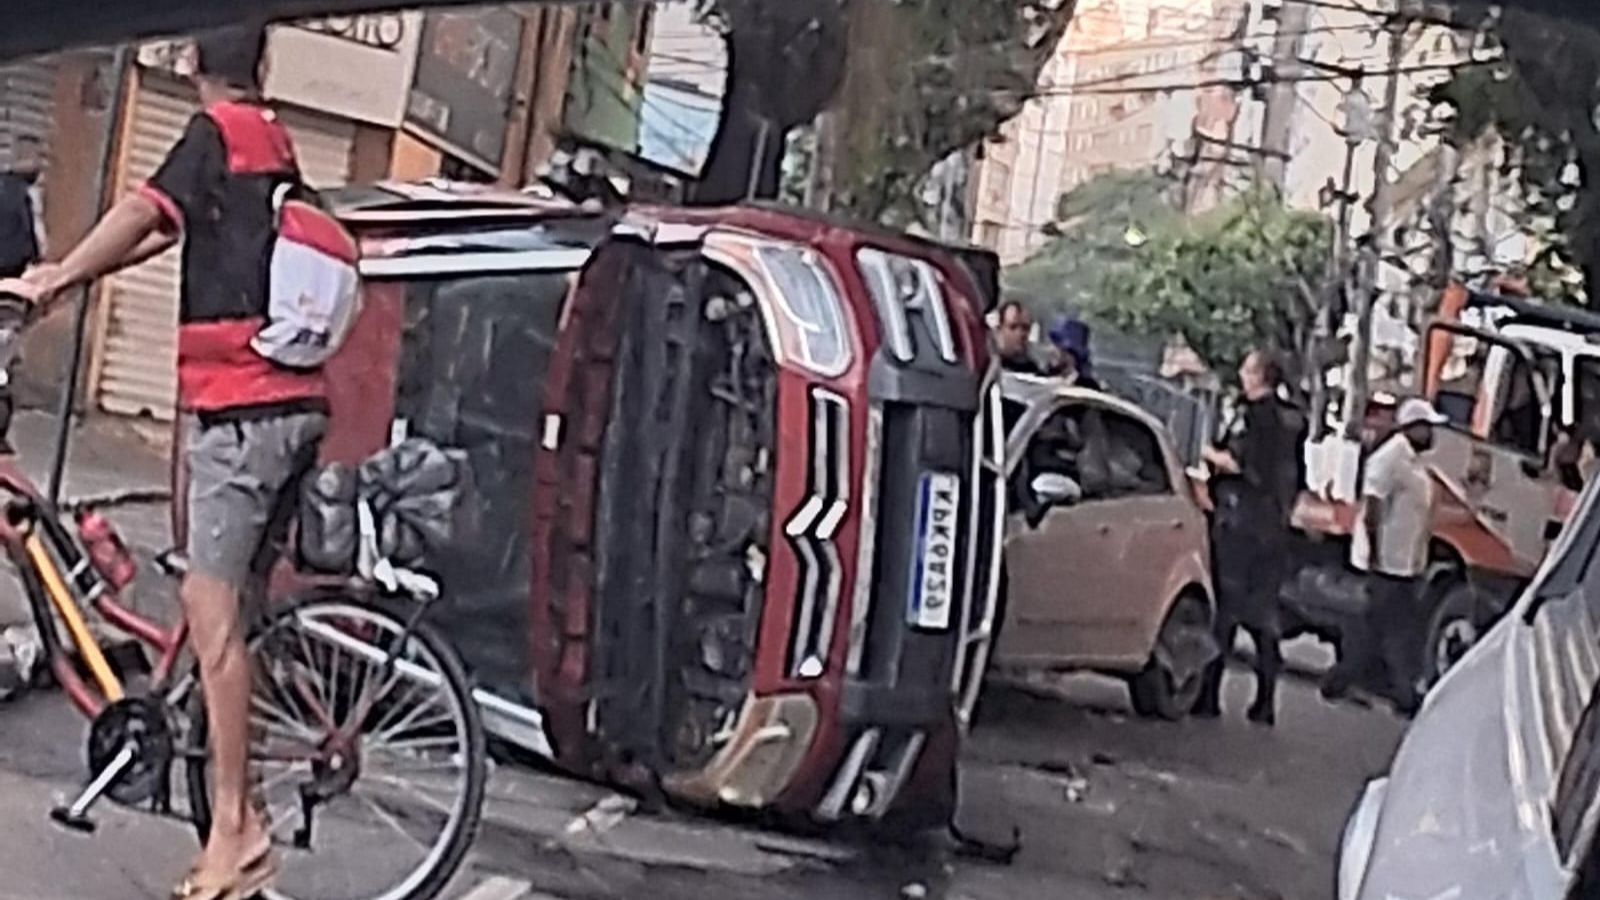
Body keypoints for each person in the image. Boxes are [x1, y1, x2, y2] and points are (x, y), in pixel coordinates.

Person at [0, 24, 319, 899]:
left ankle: (237, 836)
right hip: (293, 407)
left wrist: (54, 281)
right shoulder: (272, 139)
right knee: (232, 628)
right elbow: (162, 234)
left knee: (208, 614)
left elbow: (144, 209)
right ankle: (236, 807)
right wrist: (70, 277)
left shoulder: (214, 133)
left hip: (241, 407)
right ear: (263, 65)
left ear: (186, 62)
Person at [1196, 349, 1307, 726]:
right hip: (1273, 525)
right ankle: (1265, 699)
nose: (1242, 376)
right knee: (1262, 614)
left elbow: (1240, 462)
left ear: (1260, 376)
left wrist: (1209, 453)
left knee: (1225, 610)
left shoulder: (1251, 416)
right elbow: (1296, 477)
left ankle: (1208, 694)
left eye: (1246, 370)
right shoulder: (1294, 421)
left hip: (1240, 520)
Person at [1323, 398, 1447, 715]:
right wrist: (1375, 554)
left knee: (1383, 628)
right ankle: (1382, 688)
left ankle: (1360, 681)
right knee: (1387, 629)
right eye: (1426, 427)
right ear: (1411, 428)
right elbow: (1374, 508)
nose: (1431, 433)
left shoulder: (1416, 462)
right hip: (1386, 562)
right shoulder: (1389, 458)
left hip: (1405, 563)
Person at [1046, 316, 1101, 390]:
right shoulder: (1041, 377)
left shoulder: (1088, 388)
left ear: (1071, 351)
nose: (1050, 349)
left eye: (1056, 345)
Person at [994, 300, 1044, 374]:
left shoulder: (1035, 373)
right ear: (1000, 330)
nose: (1020, 334)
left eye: (1025, 328)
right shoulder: (990, 367)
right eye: (1013, 327)